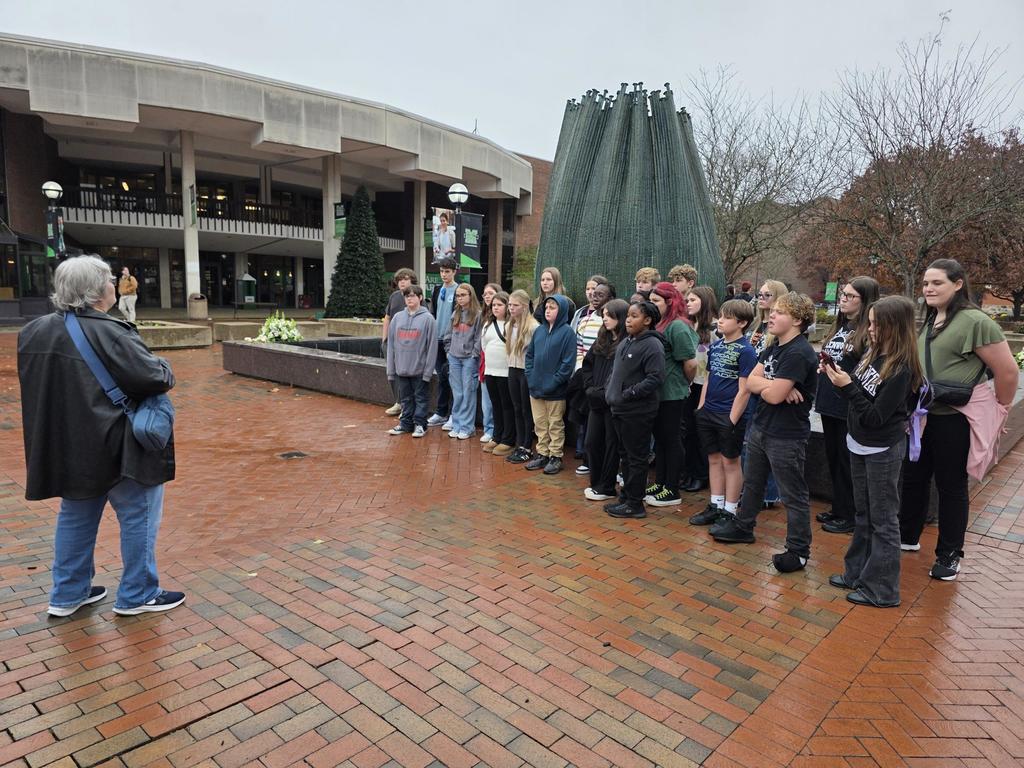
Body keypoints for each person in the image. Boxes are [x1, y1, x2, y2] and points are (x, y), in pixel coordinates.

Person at [18, 255, 183, 617]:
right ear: (96, 291)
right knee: (138, 516)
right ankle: (138, 593)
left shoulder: (33, 332)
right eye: (109, 280)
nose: (113, 286)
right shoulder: (110, 330)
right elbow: (153, 377)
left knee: (75, 518)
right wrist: (166, 367)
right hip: (117, 445)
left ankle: (67, 595)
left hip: (67, 447)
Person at [900, 259, 1018, 580]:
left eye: (937, 283)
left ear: (958, 284)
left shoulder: (976, 322)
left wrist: (1000, 409)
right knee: (912, 478)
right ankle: (907, 536)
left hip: (956, 418)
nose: (928, 289)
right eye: (926, 283)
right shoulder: (930, 319)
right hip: (923, 416)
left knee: (951, 487)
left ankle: (949, 554)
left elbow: (1007, 372)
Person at [822, 296, 922, 607]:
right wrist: (840, 375)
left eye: (878, 324)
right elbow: (863, 391)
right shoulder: (874, 353)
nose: (871, 328)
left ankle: (883, 589)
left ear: (896, 326)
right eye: (871, 321)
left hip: (881, 448)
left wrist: (845, 387)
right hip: (860, 443)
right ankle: (858, 574)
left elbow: (877, 416)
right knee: (863, 513)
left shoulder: (901, 369)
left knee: (883, 519)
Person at [711, 292, 818, 574]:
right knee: (753, 482)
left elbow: (771, 395)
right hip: (761, 427)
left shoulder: (798, 352)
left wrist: (770, 387)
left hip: (786, 435)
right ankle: (744, 526)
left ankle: (798, 550)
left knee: (793, 493)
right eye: (774, 310)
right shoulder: (774, 346)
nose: (771, 315)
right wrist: (773, 385)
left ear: (797, 319)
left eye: (780, 312)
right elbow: (750, 383)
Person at [814, 277, 880, 534]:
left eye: (851, 296)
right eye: (843, 294)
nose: (843, 298)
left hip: (848, 405)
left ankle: (850, 514)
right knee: (834, 458)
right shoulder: (840, 325)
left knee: (846, 461)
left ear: (865, 301)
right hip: (829, 401)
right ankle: (839, 507)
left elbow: (863, 369)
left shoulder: (867, 331)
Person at [690, 299, 757, 526]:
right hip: (708, 411)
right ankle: (716, 505)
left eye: (727, 318)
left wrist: (732, 419)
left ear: (742, 323)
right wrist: (701, 407)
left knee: (731, 462)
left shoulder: (747, 351)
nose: (720, 321)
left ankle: (730, 510)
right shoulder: (717, 346)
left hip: (729, 415)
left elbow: (745, 389)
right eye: (721, 316)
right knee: (713, 459)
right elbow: (709, 378)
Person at [604, 301, 666, 518]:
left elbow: (655, 378)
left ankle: (635, 504)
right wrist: (610, 390)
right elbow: (616, 371)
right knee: (625, 455)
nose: (628, 320)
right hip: (619, 409)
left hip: (637, 411)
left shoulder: (652, 345)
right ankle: (627, 496)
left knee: (636, 457)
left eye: (634, 316)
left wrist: (629, 394)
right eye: (627, 316)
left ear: (647, 320)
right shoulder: (627, 341)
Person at [644, 283, 698, 507]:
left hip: (673, 393)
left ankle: (672, 488)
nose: (652, 305)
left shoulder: (678, 326)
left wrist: (683, 384)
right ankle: (661, 481)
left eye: (656, 301)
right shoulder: (659, 324)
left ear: (669, 302)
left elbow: (690, 363)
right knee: (661, 440)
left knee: (672, 439)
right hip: (657, 393)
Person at [743, 279, 789, 508]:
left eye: (767, 295)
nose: (761, 298)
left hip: (768, 393)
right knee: (750, 444)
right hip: (752, 391)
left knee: (765, 447)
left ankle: (769, 494)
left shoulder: (779, 331)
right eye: (759, 294)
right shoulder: (758, 326)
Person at [581, 299, 629, 501]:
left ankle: (607, 486)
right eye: (604, 315)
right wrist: (590, 387)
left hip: (612, 403)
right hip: (596, 400)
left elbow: (622, 375)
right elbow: (588, 364)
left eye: (610, 315)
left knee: (611, 444)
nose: (605, 319)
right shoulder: (602, 339)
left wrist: (603, 392)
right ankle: (596, 481)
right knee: (592, 442)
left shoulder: (626, 343)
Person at [524, 295, 576, 474]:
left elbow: (567, 364)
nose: (548, 310)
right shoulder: (539, 331)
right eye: (547, 307)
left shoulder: (567, 332)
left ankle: (555, 456)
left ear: (561, 311)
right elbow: (529, 356)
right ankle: (542, 454)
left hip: (555, 390)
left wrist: (554, 382)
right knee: (539, 423)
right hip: (535, 388)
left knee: (555, 424)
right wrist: (530, 377)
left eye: (552, 307)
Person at [386, 285, 438, 438]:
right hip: (402, 369)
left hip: (419, 369)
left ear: (420, 298)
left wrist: (428, 372)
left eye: (413, 296)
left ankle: (420, 424)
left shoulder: (428, 319)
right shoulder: (397, 318)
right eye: (407, 296)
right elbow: (391, 345)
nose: (410, 298)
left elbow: (432, 347)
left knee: (421, 398)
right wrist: (391, 370)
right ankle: (405, 424)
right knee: (405, 399)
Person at [681, 285, 719, 492]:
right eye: (687, 300)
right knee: (687, 431)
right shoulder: (688, 326)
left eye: (693, 300)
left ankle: (700, 474)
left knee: (700, 431)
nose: (688, 304)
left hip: (706, 386)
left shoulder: (715, 329)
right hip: (688, 384)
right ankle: (689, 471)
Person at [505, 290, 539, 463]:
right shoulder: (510, 324)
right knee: (516, 407)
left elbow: (536, 353)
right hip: (512, 367)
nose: (511, 308)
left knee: (526, 409)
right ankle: (519, 445)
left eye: (515, 305)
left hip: (526, 371)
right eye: (509, 304)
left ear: (525, 307)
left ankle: (527, 446)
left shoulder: (534, 327)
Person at [446, 282, 483, 440]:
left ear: (470, 296)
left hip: (469, 359)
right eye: (458, 296)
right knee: (458, 393)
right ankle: (457, 424)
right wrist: (448, 351)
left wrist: (473, 354)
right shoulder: (455, 313)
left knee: (468, 393)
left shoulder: (478, 315)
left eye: (463, 295)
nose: (459, 298)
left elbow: (478, 338)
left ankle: (468, 427)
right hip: (454, 357)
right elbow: (448, 334)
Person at [481, 291, 515, 456]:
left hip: (506, 372)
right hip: (490, 370)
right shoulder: (487, 324)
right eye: (494, 305)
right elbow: (484, 345)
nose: (495, 308)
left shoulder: (511, 325)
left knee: (506, 406)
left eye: (500, 305)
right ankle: (497, 435)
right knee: (495, 405)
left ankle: (508, 439)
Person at [382, 268, 418, 417]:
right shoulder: (394, 296)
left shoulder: (416, 296)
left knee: (408, 374)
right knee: (392, 373)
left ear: (412, 281)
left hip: (409, 343)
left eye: (405, 279)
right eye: (399, 280)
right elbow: (387, 317)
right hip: (392, 343)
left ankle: (408, 406)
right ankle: (398, 402)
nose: (402, 282)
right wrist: (384, 339)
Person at [427, 260, 458, 428]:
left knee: (452, 377)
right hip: (437, 339)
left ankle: (454, 414)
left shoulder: (460, 290)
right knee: (441, 377)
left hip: (451, 341)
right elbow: (433, 312)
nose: (444, 275)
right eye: (442, 271)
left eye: (447, 271)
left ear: (454, 272)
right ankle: (440, 412)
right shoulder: (438, 290)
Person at [478, 282, 501, 444]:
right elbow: (483, 344)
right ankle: (488, 428)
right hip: (484, 363)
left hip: (500, 366)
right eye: (485, 294)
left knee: (498, 402)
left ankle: (497, 431)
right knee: (486, 400)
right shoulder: (482, 317)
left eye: (491, 293)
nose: (487, 296)